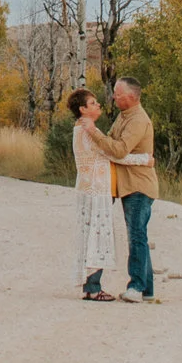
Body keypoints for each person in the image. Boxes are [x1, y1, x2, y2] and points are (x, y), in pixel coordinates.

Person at [85, 76, 158, 302]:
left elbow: (119, 150)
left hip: (138, 186)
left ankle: (136, 287)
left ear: (131, 97)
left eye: (118, 93)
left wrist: (94, 133)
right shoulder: (123, 116)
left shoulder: (137, 120)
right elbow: (114, 146)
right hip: (126, 185)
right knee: (138, 235)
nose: (113, 97)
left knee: (136, 235)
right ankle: (147, 289)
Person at [67, 88, 117, 300]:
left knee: (90, 234)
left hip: (87, 187)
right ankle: (94, 286)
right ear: (83, 109)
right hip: (96, 189)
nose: (98, 106)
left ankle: (91, 285)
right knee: (97, 234)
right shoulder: (87, 131)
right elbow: (115, 153)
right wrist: (144, 159)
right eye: (93, 103)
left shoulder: (80, 130)